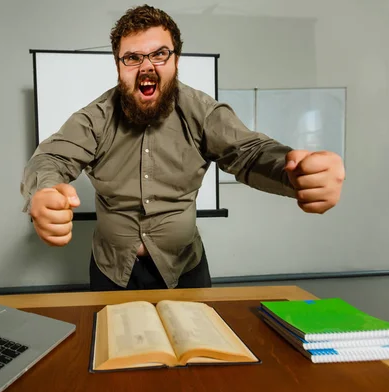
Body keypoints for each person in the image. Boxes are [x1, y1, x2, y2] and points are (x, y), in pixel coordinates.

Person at [20, 5, 345, 291]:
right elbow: (51, 157)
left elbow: (251, 153)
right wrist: (44, 190)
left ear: (176, 60)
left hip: (184, 270)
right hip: (112, 272)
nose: (146, 67)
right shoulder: (97, 117)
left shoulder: (202, 112)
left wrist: (298, 174)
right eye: (132, 58)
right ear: (118, 67)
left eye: (159, 54)